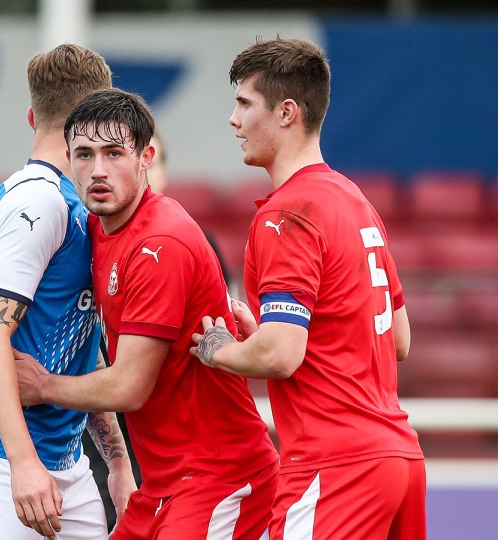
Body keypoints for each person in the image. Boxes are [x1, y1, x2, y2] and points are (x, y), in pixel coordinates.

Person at [0, 88, 279, 539]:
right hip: (165, 483)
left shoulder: (160, 244)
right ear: (68, 159)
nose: (98, 169)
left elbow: (129, 386)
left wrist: (42, 385)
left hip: (218, 481)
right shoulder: (97, 227)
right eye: (84, 155)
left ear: (146, 157)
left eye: (114, 153)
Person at [191, 38, 426, 539]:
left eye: (244, 104)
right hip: (398, 459)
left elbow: (281, 355)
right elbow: (398, 339)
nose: (233, 120)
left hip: (335, 467)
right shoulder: (355, 200)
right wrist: (267, 333)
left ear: (286, 113)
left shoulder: (288, 213)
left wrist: (220, 350)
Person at [0, 44, 135, 540]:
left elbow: (81, 337)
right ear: (99, 119)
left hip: (68, 459)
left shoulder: (79, 202)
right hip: (0, 458)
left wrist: (117, 460)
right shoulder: (40, 201)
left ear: (32, 116)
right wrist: (24, 464)